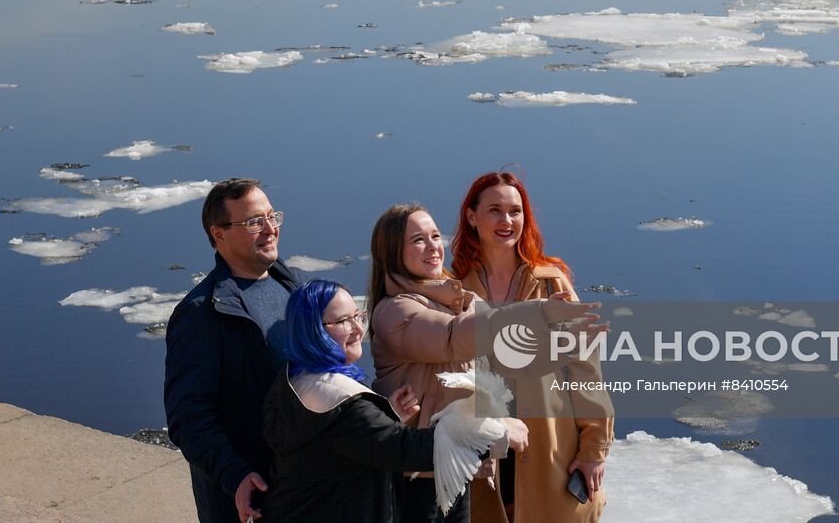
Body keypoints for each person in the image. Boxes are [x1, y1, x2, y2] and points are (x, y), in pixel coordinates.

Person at [369, 204, 602, 523]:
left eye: (435, 235)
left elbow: (505, 359)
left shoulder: (459, 301)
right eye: (418, 240)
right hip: (418, 480)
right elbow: (455, 337)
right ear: (393, 252)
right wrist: (537, 312)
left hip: (459, 470)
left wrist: (566, 345)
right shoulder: (395, 312)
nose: (433, 246)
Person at [263, 279, 529, 523]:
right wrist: (495, 432)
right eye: (343, 321)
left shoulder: (293, 382)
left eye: (358, 316)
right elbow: (408, 449)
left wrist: (385, 417)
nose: (358, 329)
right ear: (312, 331)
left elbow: (346, 452)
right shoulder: (338, 403)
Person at [451, 172, 614, 523]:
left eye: (515, 211)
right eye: (494, 210)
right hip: (481, 460)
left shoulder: (550, 284)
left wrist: (594, 450)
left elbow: (586, 374)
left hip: (551, 456)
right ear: (471, 217)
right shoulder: (453, 294)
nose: (506, 221)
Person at [165, 178, 299, 523]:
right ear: (219, 234)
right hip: (251, 499)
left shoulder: (295, 286)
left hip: (303, 487)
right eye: (254, 222)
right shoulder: (202, 313)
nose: (270, 229)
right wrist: (235, 475)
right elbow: (189, 419)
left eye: (272, 217)